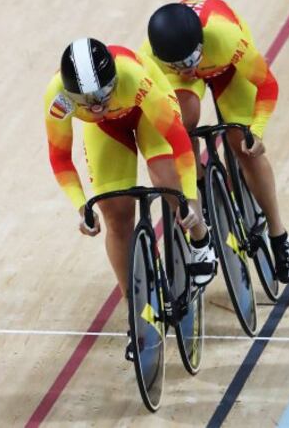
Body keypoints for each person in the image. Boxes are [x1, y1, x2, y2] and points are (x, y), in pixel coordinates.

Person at [44, 38, 216, 358]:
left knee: (169, 183)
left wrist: (189, 199)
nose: (97, 106)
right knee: (115, 216)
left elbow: (179, 142)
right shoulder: (59, 98)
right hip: (108, 131)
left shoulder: (133, 76)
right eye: (87, 101)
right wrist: (81, 206)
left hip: (147, 112)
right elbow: (60, 158)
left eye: (103, 95)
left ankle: (201, 239)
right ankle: (136, 314)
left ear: (114, 81)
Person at [141, 0, 289, 284]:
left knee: (243, 141)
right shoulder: (151, 58)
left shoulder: (225, 35)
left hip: (226, 65)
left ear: (200, 43)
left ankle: (280, 236)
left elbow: (267, 84)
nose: (188, 69)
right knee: (181, 121)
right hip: (184, 75)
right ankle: (201, 185)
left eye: (191, 61)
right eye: (178, 65)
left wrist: (259, 130)